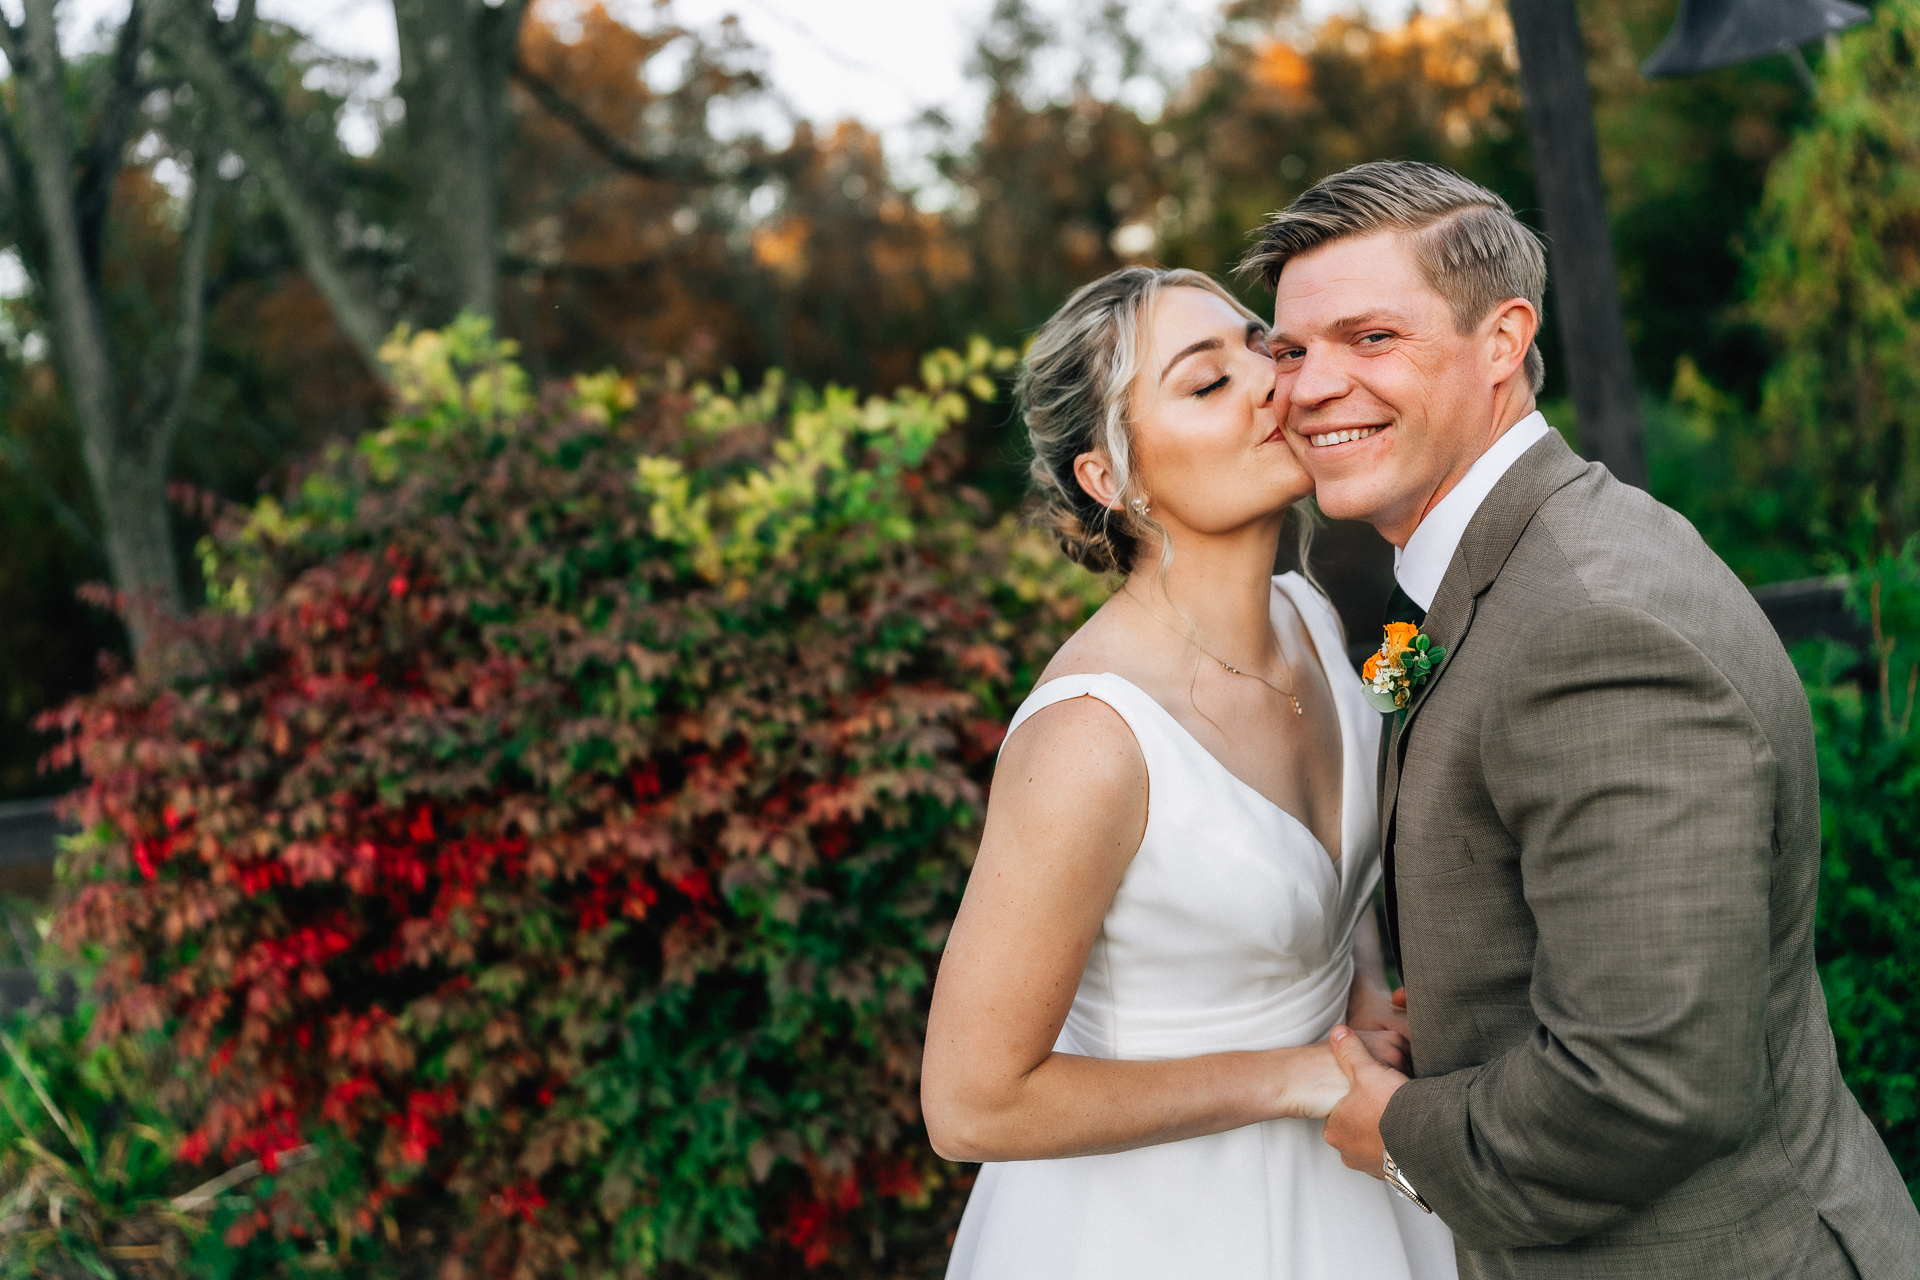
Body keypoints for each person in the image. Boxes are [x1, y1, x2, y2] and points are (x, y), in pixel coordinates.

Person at [1246, 160, 1920, 1278]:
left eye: (1371, 339)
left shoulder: (1589, 626)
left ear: (1503, 341)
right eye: (1291, 350)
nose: (1312, 387)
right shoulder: (1536, 559)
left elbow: (1645, 1083)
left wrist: (1398, 1135)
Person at [921, 266, 1457, 1278]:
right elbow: (970, 1103)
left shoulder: (1309, 619)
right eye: (1207, 382)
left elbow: (1326, 899)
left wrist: (1365, 999)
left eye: (1261, 348)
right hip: (1152, 1228)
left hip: (1354, 1182)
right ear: (1109, 479)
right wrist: (1295, 1078)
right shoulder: (1091, 739)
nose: (1272, 383)